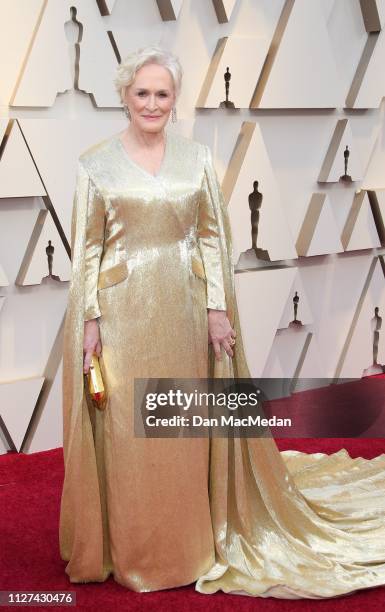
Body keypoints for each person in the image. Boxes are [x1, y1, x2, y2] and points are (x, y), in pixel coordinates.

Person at [59, 45, 385, 599]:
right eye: (143, 93)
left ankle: (189, 541)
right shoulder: (96, 164)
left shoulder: (197, 160)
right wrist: (88, 320)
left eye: (163, 94)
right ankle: (135, 546)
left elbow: (212, 237)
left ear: (174, 100)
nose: (153, 103)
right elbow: (87, 250)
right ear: (124, 96)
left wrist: (216, 310)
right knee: (129, 433)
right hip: (123, 319)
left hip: (185, 314)